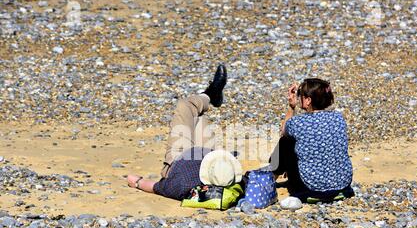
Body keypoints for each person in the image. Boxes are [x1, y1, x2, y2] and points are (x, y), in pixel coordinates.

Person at [127, 64, 243, 201]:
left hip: (179, 157)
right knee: (198, 119)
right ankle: (210, 95)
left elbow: (156, 187)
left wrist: (137, 182)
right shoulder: (230, 182)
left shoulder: (182, 185)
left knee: (186, 106)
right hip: (206, 154)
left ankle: (209, 95)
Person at [268, 78, 355, 202]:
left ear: (308, 100)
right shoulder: (338, 118)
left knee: (286, 142)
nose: (298, 98)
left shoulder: (298, 123)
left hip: (311, 190)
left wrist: (291, 107)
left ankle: (271, 177)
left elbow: (284, 132)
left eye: (300, 95)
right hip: (342, 186)